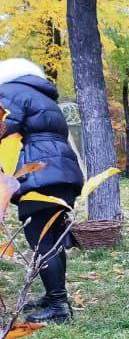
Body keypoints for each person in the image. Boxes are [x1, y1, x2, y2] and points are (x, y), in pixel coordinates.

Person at [0, 58, 84, 324]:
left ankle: (59, 307)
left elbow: (4, 126)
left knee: (42, 239)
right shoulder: (43, 97)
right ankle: (54, 297)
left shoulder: (10, 92)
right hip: (61, 173)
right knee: (52, 237)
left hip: (39, 174)